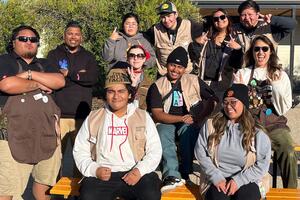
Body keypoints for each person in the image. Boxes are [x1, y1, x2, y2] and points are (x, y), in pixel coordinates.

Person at [73, 68, 162, 200]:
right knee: (88, 196)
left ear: (129, 94)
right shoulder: (94, 118)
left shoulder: (142, 117)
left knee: (151, 195)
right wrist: (94, 170)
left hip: (135, 172)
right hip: (103, 174)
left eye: (121, 91)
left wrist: (139, 171)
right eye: (111, 91)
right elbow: (80, 150)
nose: (116, 96)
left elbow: (155, 150)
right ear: (105, 94)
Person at [0, 25, 65, 200]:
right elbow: (6, 85)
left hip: (47, 136)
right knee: (7, 192)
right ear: (13, 42)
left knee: (44, 187)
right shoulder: (4, 61)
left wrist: (27, 76)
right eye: (23, 39)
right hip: (12, 137)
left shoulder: (45, 63)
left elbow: (59, 81)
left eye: (33, 40)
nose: (29, 42)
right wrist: (38, 83)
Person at [146, 46, 217, 193]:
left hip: (191, 119)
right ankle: (171, 174)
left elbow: (213, 100)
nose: (175, 70)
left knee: (188, 131)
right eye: (172, 65)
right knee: (163, 133)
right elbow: (157, 114)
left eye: (179, 67)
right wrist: (181, 118)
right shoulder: (157, 86)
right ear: (167, 65)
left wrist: (198, 116)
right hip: (167, 120)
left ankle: (186, 171)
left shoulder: (193, 80)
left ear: (184, 69)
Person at [234, 35, 297, 188]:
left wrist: (275, 86)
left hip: (274, 123)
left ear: (270, 52)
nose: (260, 52)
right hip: (251, 123)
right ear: (252, 52)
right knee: (244, 151)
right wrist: (240, 88)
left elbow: (283, 108)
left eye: (264, 49)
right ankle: (247, 190)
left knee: (288, 149)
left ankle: (290, 192)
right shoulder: (243, 73)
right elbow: (234, 106)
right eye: (257, 49)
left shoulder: (281, 75)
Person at [194, 84, 271, 200]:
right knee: (218, 197)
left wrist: (239, 181)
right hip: (216, 180)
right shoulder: (211, 125)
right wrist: (216, 177)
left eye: (233, 102)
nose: (228, 106)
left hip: (248, 180)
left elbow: (262, 165)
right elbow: (200, 152)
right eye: (225, 102)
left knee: (246, 195)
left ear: (244, 104)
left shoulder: (257, 133)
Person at [47, 21, 99, 176]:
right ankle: (54, 193)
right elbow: (52, 79)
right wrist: (79, 75)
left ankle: (77, 192)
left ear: (81, 37)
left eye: (77, 34)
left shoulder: (88, 57)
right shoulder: (53, 55)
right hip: (58, 115)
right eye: (70, 33)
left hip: (81, 117)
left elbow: (92, 78)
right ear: (64, 35)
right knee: (55, 158)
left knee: (81, 157)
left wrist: (68, 74)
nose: (73, 37)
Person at [189, 8, 243, 111]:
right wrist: (196, 44)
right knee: (202, 114)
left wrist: (237, 50)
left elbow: (237, 65)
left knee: (218, 114)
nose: (219, 20)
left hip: (223, 86)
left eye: (222, 17)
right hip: (204, 84)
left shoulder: (234, 39)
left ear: (228, 19)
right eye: (216, 19)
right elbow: (193, 57)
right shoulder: (206, 39)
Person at [144, 1, 203, 77]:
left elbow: (208, 29)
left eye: (169, 16)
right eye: (163, 17)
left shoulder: (189, 25)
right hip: (164, 75)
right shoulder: (155, 30)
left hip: (186, 74)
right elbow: (140, 37)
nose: (166, 20)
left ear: (176, 14)